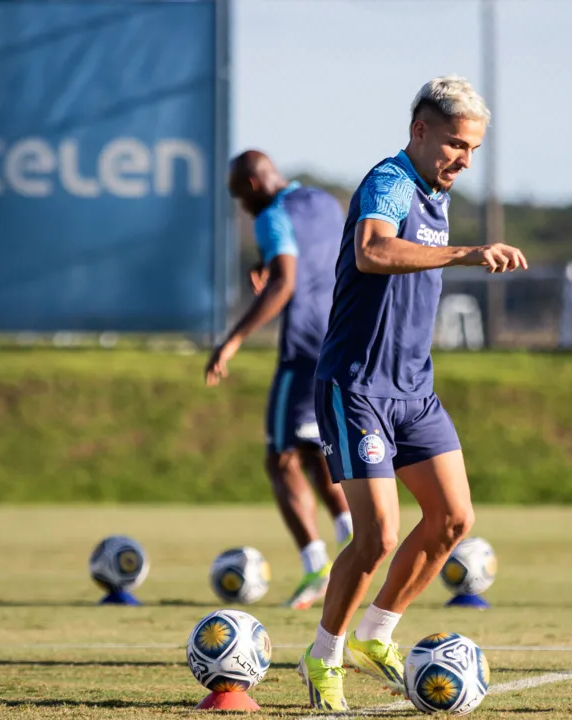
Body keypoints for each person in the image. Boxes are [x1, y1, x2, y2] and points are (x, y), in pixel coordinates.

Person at [297, 76, 528, 710]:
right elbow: (372, 252)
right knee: (376, 537)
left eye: (474, 149)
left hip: (414, 390)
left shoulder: (435, 190)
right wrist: (466, 254)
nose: (464, 159)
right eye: (455, 143)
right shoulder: (391, 180)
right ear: (419, 131)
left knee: (454, 518)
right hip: (357, 386)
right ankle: (323, 659)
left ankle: (376, 634)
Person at [205, 150, 354, 610]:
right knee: (317, 454)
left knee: (281, 458)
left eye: (237, 196)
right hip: (344, 341)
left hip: (303, 352)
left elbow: (286, 282)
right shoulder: (326, 203)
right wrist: (264, 260)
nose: (241, 207)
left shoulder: (271, 215)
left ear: (251, 184)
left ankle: (317, 567)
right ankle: (355, 543)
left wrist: (232, 340)